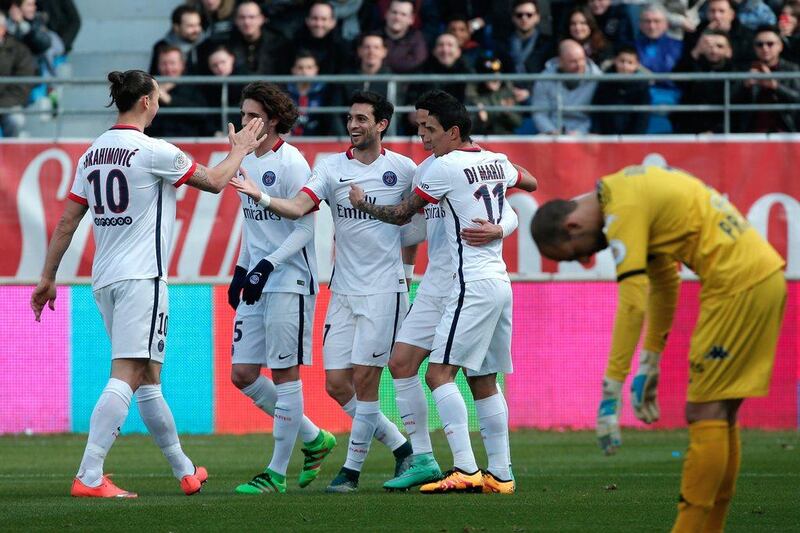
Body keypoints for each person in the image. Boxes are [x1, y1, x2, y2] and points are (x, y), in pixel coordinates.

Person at [30, 69, 266, 498]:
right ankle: (89, 475)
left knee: (148, 375)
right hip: (142, 278)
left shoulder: (93, 153)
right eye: (157, 97)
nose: (159, 103)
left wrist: (47, 277)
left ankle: (185, 470)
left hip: (104, 281)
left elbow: (67, 221)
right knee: (128, 371)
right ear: (144, 102)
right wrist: (241, 149)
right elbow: (214, 182)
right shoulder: (153, 150)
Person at [530, 165, 786, 532]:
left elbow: (633, 302)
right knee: (721, 411)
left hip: (736, 287)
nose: (586, 260)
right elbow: (665, 282)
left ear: (572, 227)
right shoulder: (629, 192)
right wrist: (650, 362)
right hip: (758, 278)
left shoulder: (621, 210)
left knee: (704, 410)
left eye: (575, 255)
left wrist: (611, 389)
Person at [231, 90, 415, 493]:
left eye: (362, 119)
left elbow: (412, 227)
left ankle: (339, 472)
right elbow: (296, 209)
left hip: (376, 289)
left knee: (363, 380)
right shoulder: (329, 168)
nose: (352, 125)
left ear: (382, 124)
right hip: (344, 288)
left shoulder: (403, 169)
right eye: (349, 118)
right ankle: (400, 447)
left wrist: (406, 274)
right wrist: (243, 268)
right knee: (334, 384)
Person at [347, 96, 524, 494]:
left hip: (467, 282)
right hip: (454, 281)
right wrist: (503, 226)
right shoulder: (491, 159)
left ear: (454, 131)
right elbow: (522, 181)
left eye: (427, 127)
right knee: (407, 362)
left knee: (440, 374)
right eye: (419, 126)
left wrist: (363, 203)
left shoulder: (443, 167)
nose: (421, 134)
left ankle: (466, 468)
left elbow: (401, 215)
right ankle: (494, 472)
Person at [224, 82, 337, 494]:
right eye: (242, 113)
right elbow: (251, 223)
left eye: (253, 114)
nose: (245, 121)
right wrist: (241, 268)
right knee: (242, 374)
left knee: (285, 374)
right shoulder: (243, 161)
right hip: (258, 276)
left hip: (289, 280)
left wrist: (268, 265)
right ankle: (314, 438)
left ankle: (275, 473)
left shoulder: (291, 163)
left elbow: (306, 230)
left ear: (271, 120)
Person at [733, 25, 800, 132]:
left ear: (780, 46)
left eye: (770, 44)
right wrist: (745, 85)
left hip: (785, 132)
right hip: (752, 133)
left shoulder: (792, 69)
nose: (765, 48)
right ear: (754, 48)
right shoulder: (745, 69)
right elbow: (729, 102)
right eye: (760, 44)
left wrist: (776, 86)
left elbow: (797, 98)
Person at [533, 39, 601, 135]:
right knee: (536, 143)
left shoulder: (598, 78)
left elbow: (598, 116)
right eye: (573, 61)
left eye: (582, 59)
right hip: (552, 131)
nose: (579, 65)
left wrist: (580, 132)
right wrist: (551, 131)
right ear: (560, 61)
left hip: (586, 133)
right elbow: (539, 113)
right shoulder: (544, 79)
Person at [673, 29, 736, 133]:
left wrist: (715, 131)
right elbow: (677, 79)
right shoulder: (694, 66)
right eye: (709, 46)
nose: (714, 50)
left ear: (729, 51)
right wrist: (696, 51)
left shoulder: (735, 72)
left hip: (723, 131)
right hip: (691, 128)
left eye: (719, 46)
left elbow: (735, 109)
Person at [635, 3, 683, 133]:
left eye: (657, 21)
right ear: (640, 24)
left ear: (666, 24)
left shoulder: (679, 46)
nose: (652, 26)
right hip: (639, 95)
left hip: (669, 96)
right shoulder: (632, 47)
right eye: (647, 21)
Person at [146, 45, 211, 137]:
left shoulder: (194, 85)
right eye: (164, 64)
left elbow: (203, 114)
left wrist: (169, 100)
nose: (168, 69)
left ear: (182, 64)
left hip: (188, 143)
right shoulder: (149, 87)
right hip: (157, 142)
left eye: (172, 63)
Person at [591, 45, 650, 134]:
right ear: (615, 60)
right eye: (622, 61)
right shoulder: (605, 82)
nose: (625, 66)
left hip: (631, 138)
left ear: (637, 65)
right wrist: (595, 132)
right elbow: (597, 109)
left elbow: (642, 117)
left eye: (630, 63)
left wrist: (634, 139)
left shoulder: (641, 86)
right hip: (606, 135)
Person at [467, 54, 525, 135]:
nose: (495, 78)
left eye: (498, 74)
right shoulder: (473, 95)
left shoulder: (507, 91)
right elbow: (467, 127)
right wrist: (480, 119)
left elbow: (519, 123)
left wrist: (507, 113)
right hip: (482, 140)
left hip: (506, 139)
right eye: (490, 74)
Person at [0, 11, 36, 137]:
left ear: (3, 29)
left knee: (16, 120)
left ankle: (10, 156)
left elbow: (22, 86)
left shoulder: (19, 51)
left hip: (9, 104)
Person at [292, 1, 351, 74]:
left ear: (333, 22)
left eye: (324, 19)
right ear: (307, 20)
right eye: (314, 18)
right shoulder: (291, 47)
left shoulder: (344, 50)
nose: (319, 24)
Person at [286, 50, 336, 136]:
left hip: (318, 140)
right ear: (293, 70)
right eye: (300, 68)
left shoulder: (324, 92)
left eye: (309, 67)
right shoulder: (284, 92)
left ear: (316, 70)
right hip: (290, 142)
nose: (304, 72)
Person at [148, 5, 205, 75]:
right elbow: (154, 76)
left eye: (198, 24)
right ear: (176, 27)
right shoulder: (161, 46)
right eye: (190, 26)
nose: (196, 30)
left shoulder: (206, 45)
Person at [381, 0, 428, 73]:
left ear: (411, 19)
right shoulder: (374, 37)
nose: (397, 18)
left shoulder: (418, 40)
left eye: (403, 14)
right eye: (394, 12)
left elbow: (417, 63)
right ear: (386, 14)